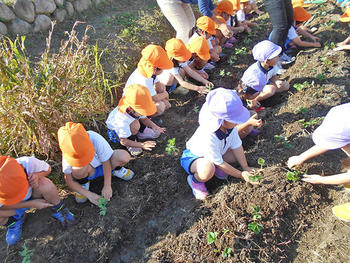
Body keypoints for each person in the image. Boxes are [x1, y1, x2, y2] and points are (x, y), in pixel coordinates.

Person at [180, 88, 258, 200]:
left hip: (217, 153)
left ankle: (216, 168)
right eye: (235, 119)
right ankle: (195, 181)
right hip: (195, 157)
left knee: (235, 156)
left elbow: (237, 146)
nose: (237, 122)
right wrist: (241, 175)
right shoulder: (209, 135)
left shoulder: (230, 128)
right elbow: (220, 162)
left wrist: (245, 167)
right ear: (222, 120)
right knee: (207, 170)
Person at [287, 103, 350, 222]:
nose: (341, 148)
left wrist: (321, 180)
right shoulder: (344, 115)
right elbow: (329, 143)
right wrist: (301, 157)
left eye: (343, 146)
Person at [0, 156, 76, 245]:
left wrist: (37, 176)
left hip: (33, 193)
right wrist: (32, 204)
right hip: (12, 208)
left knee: (45, 184)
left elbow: (48, 169)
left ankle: (59, 209)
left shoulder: (27, 163)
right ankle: (14, 222)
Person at [57, 122, 134, 205]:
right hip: (90, 171)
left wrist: (107, 185)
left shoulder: (95, 138)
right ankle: (83, 183)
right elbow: (69, 181)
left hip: (107, 165)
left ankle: (115, 170)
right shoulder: (68, 153)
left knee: (124, 156)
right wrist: (89, 195)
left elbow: (106, 161)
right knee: (77, 170)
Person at [106, 84, 165, 156]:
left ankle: (141, 132)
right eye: (142, 111)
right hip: (116, 133)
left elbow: (144, 119)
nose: (144, 113)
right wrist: (142, 145)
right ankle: (132, 142)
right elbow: (123, 141)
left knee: (136, 122)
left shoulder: (137, 106)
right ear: (131, 109)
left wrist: (155, 126)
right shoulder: (121, 121)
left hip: (131, 121)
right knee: (135, 125)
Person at [125, 45, 174, 117]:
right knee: (160, 106)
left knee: (162, 88)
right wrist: (165, 95)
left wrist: (163, 92)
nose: (164, 70)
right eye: (162, 68)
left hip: (146, 94)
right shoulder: (144, 81)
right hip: (136, 101)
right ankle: (147, 117)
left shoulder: (149, 68)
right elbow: (154, 98)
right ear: (155, 69)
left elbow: (158, 84)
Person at [239, 40, 290, 109]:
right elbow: (246, 94)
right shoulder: (256, 77)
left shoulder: (271, 65)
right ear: (267, 61)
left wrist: (276, 81)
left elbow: (273, 75)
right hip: (250, 93)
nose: (278, 57)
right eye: (276, 56)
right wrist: (251, 101)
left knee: (286, 86)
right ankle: (252, 103)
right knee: (271, 90)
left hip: (261, 87)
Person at [156, 0, 232, 43]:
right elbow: (204, 10)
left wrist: (222, 23)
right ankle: (178, 62)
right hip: (169, 1)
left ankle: (190, 57)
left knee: (192, 25)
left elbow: (209, 4)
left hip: (183, 1)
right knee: (183, 30)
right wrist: (220, 25)